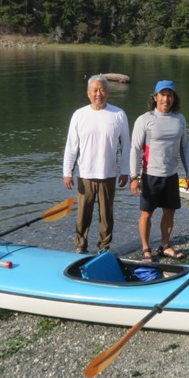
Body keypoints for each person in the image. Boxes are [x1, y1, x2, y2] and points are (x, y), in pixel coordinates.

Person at [63, 75, 131, 253]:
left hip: (108, 174)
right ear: (88, 93)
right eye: (95, 90)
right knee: (83, 215)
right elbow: (71, 146)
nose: (98, 94)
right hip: (85, 174)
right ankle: (80, 246)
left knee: (106, 215)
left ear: (107, 93)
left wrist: (125, 171)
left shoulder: (119, 114)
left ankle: (104, 247)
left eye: (102, 90)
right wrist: (67, 172)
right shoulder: (79, 115)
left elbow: (126, 146)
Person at [129, 80, 189, 262]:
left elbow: (184, 147)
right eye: (163, 95)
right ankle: (145, 248)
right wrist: (134, 177)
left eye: (170, 95)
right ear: (155, 97)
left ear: (174, 98)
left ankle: (165, 245)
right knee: (146, 214)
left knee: (169, 212)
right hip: (150, 175)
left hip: (171, 175)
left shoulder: (179, 119)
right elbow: (135, 148)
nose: (166, 99)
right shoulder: (145, 119)